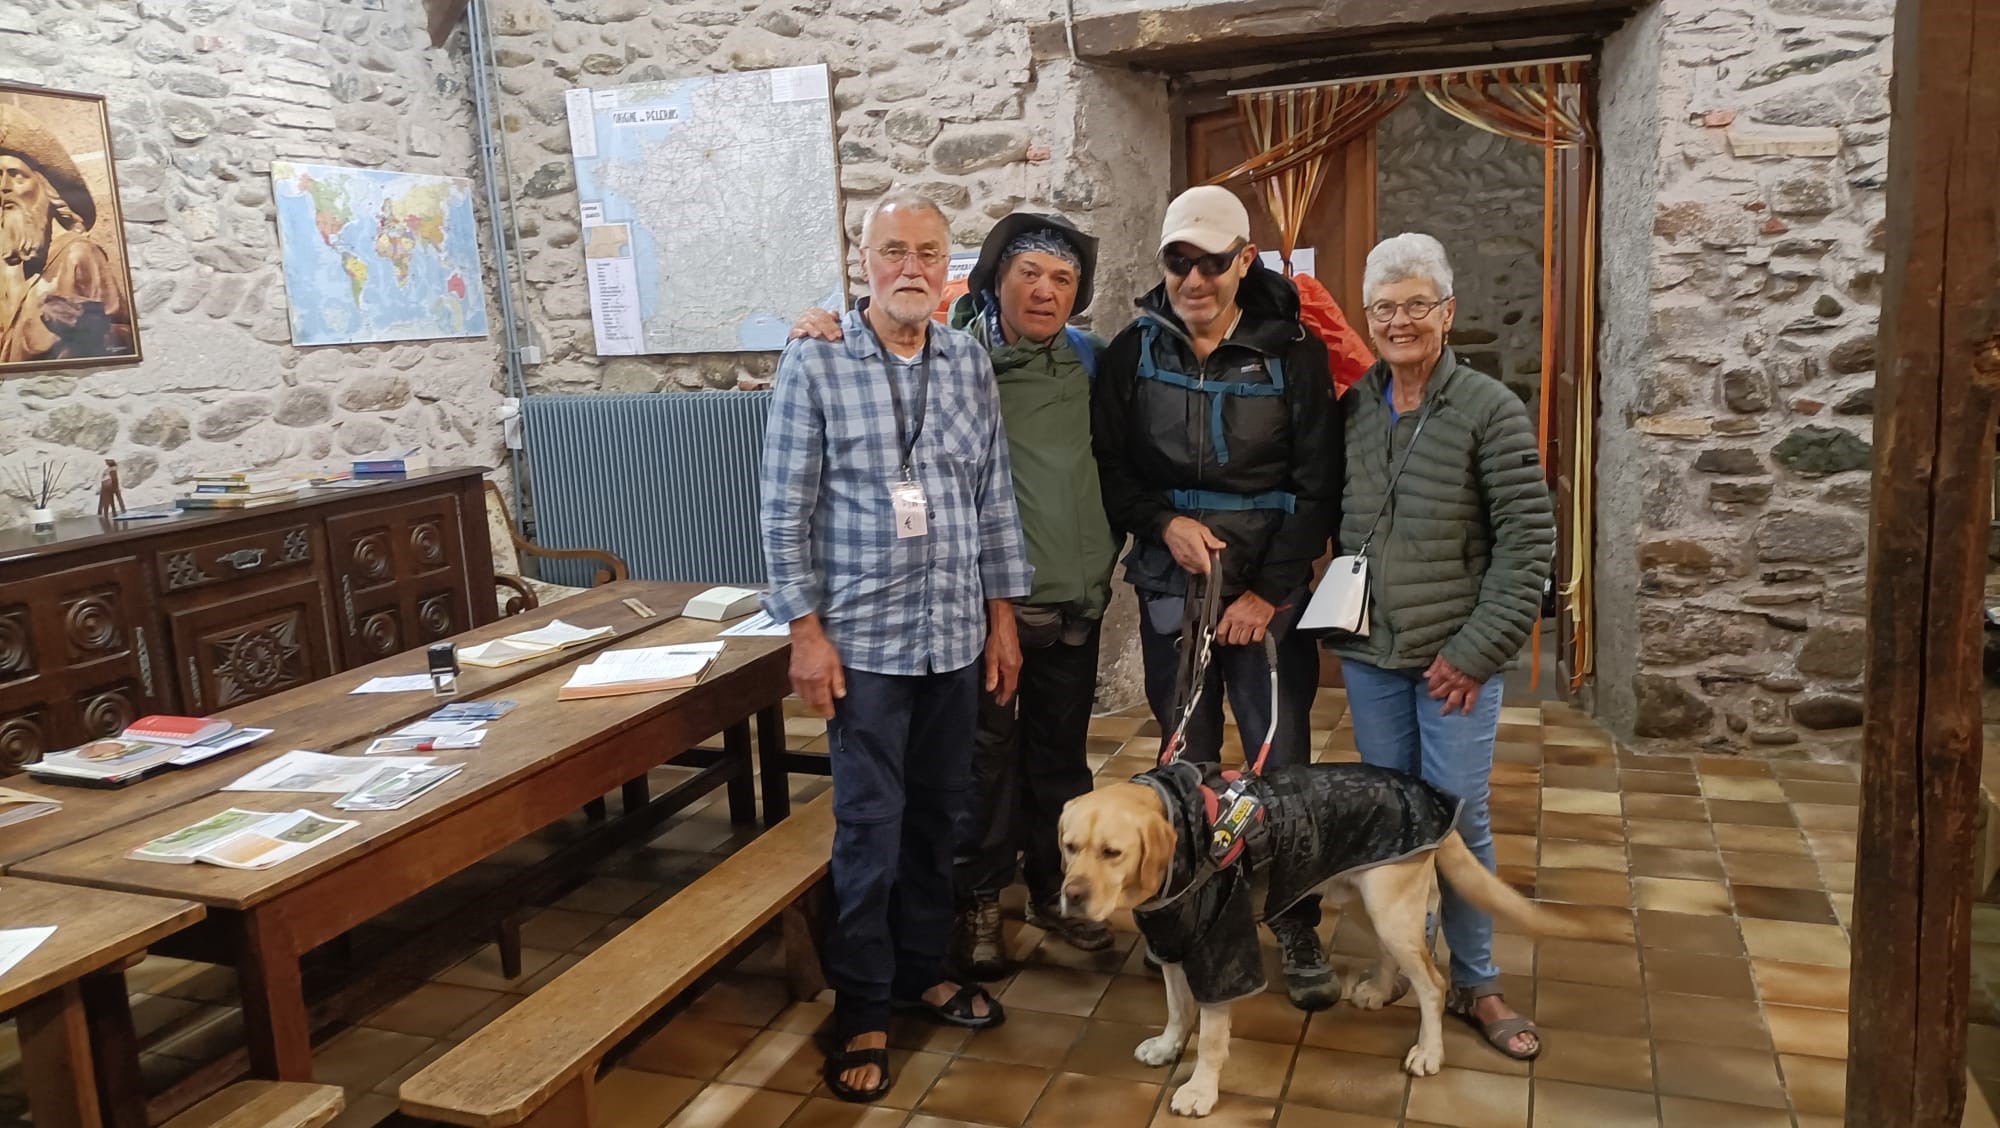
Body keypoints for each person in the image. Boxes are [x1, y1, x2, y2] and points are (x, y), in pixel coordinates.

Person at [791, 212, 1119, 979]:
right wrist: (816, 324)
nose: (1044, 292)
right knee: (979, 774)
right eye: (1027, 275)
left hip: (1059, 598)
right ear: (990, 281)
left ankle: (1047, 889)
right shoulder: (955, 356)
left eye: (1063, 280)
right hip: (951, 610)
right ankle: (968, 908)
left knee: (1053, 764)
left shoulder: (1090, 360)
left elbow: (1064, 475)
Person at [759, 189, 1031, 1103]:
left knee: (940, 817)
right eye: (892, 251)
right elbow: (783, 508)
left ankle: (923, 967)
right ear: (862, 259)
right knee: (869, 830)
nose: (909, 268)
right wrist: (804, 633)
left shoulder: (966, 362)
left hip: (954, 634)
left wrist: (1002, 620)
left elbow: (993, 495)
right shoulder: (816, 361)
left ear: (948, 266)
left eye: (926, 252)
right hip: (864, 644)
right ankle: (863, 1003)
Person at [1091, 185, 1343, 1010]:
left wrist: (1269, 594)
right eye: (1178, 261)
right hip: (1175, 589)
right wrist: (1163, 523)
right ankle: (1193, 910)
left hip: (1266, 596)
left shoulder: (1294, 352)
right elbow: (1116, 476)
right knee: (1187, 762)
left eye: (1212, 261)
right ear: (1162, 262)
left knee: (1284, 763)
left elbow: (1318, 487)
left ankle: (1297, 920)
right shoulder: (1131, 354)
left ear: (1244, 261)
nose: (1194, 279)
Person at [1328, 231, 1555, 1060]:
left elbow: (1529, 543)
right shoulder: (1354, 407)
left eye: (1416, 305)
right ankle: (1404, 959)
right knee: (1393, 822)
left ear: (1447, 312)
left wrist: (1478, 648)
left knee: (1454, 817)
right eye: (1384, 308)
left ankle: (1480, 979)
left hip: (1454, 660)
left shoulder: (1489, 409)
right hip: (1372, 658)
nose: (1400, 321)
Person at [0, 105, 132, 364]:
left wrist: (90, 328)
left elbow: (125, 338)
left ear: (47, 192)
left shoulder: (78, 254)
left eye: (16, 176)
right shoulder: (6, 270)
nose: (4, 187)